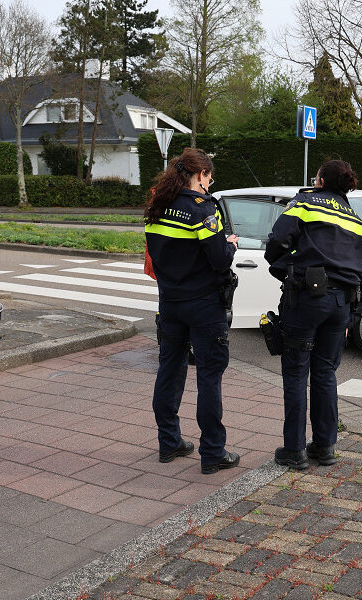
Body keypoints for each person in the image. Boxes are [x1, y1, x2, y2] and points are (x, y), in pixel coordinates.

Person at [264, 160, 362, 470]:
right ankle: (325, 447)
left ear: (322, 182)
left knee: (297, 372)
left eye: (316, 178)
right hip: (342, 304)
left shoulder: (305, 202)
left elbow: (276, 240)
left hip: (306, 298)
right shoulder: (359, 222)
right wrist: (353, 317)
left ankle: (294, 451)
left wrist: (280, 261)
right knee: (326, 373)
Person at [144, 147, 241, 475]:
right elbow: (220, 259)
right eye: (209, 180)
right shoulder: (202, 209)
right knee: (209, 376)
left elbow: (156, 256)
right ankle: (212, 452)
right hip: (203, 305)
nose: (209, 186)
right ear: (200, 175)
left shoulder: (157, 205)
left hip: (170, 302)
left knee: (169, 370)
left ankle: (169, 442)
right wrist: (230, 243)